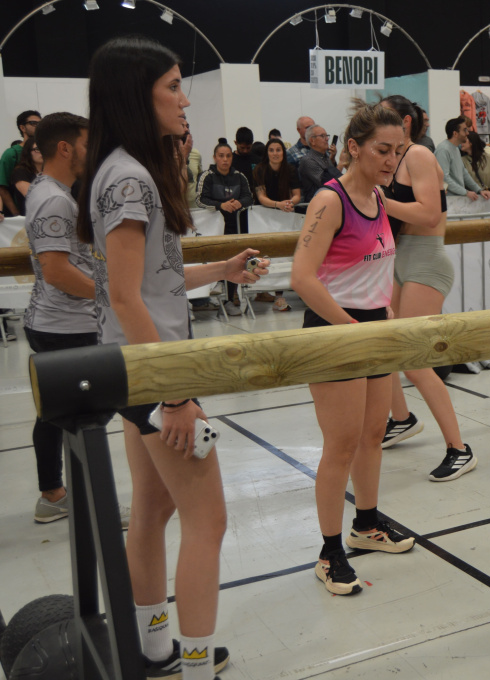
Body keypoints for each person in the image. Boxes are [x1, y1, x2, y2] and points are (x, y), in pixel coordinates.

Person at [77, 36, 268, 680]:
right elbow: (129, 298)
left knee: (154, 511)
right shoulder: (130, 177)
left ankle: (153, 647)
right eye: (174, 86)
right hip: (154, 375)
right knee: (207, 521)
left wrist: (223, 268)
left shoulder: (120, 167)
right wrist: (175, 396)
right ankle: (191, 661)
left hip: (134, 373)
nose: (185, 99)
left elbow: (154, 276)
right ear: (139, 96)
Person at [290, 99, 416, 596]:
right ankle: (328, 552)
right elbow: (302, 277)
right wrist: (350, 326)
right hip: (333, 330)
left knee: (371, 434)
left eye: (398, 152)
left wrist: (382, 317)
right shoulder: (330, 200)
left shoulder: (381, 200)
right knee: (340, 444)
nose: (390, 160)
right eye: (382, 150)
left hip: (372, 329)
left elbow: (376, 270)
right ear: (354, 148)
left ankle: (366, 524)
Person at [378, 94, 479, 481]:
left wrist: (382, 201)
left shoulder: (419, 155)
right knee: (386, 345)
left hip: (425, 260)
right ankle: (401, 418)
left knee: (416, 362)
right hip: (401, 258)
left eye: (384, 114)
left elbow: (430, 212)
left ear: (405, 121)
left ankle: (459, 447)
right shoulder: (395, 158)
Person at [22, 113, 99, 524]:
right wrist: (112, 296)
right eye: (87, 144)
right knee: (80, 417)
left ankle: (53, 492)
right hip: (66, 325)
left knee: (53, 412)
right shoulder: (54, 198)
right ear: (66, 148)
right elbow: (55, 269)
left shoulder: (48, 190)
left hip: (56, 322)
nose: (92, 152)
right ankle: (83, 500)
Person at [196, 140, 254, 315]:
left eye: (228, 156)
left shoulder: (240, 176)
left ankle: (230, 299)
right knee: (215, 264)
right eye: (221, 156)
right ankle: (207, 297)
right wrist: (220, 205)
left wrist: (238, 203)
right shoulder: (207, 176)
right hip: (212, 231)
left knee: (234, 264)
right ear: (214, 158)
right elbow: (200, 199)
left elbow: (249, 198)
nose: (225, 160)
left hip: (235, 228)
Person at [253, 138, 301, 311]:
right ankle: (264, 291)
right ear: (267, 153)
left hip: (286, 215)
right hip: (264, 216)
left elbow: (297, 194)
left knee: (286, 255)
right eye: (271, 150)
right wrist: (277, 204)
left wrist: (290, 203)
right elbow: (261, 197)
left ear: (283, 152)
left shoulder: (291, 170)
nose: (275, 153)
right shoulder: (259, 170)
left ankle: (282, 295)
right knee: (268, 255)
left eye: (278, 150)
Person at [435, 117, 490, 200]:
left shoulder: (455, 148)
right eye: (464, 130)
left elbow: (464, 173)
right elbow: (444, 178)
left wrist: (479, 190)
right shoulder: (443, 150)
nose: (467, 133)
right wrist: (465, 192)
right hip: (448, 200)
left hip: (457, 199)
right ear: (455, 134)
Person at [0, 109, 41, 216]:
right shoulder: (11, 154)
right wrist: (15, 213)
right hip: (20, 212)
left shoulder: (47, 150)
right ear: (22, 127)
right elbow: (2, 187)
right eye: (33, 123)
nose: (37, 126)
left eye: (40, 123)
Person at [298, 125, 340, 203]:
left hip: (331, 200)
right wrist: (342, 163)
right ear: (312, 141)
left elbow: (335, 175)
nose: (327, 139)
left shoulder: (325, 156)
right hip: (317, 205)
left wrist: (333, 159)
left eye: (327, 136)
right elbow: (330, 184)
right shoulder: (308, 160)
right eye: (322, 136)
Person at [462, 130, 490, 194]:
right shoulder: (461, 160)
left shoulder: (489, 159)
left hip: (487, 196)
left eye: (464, 141)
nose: (461, 143)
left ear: (471, 143)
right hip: (471, 197)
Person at [10, 137, 42, 215]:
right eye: (37, 149)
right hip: (30, 217)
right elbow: (32, 196)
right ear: (28, 152)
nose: (42, 152)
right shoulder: (21, 171)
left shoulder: (50, 171)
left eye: (44, 148)